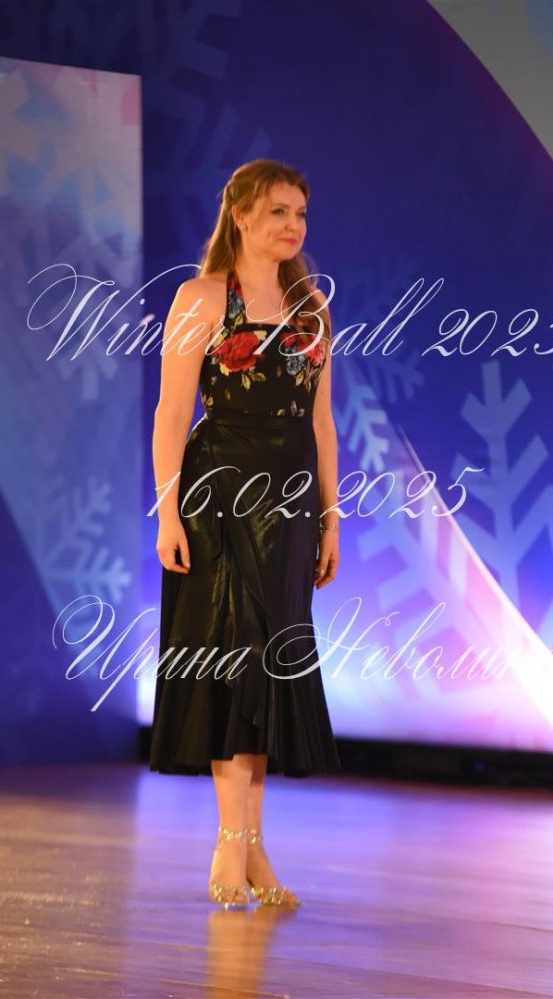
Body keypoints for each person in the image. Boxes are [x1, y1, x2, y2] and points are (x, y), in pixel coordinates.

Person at [148, 159, 342, 910]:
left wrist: (331, 516)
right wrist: (168, 512)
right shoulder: (201, 297)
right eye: (278, 211)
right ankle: (231, 843)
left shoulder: (311, 307)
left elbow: (322, 423)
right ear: (240, 216)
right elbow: (172, 413)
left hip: (289, 501)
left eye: (301, 213)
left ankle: (252, 844)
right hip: (220, 494)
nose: (293, 226)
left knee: (269, 665)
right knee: (231, 659)